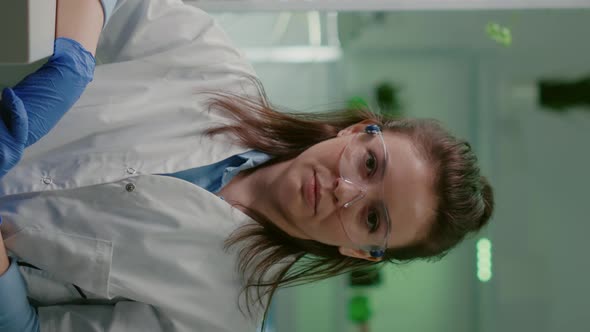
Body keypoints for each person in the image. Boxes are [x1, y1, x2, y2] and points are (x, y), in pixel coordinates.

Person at [0, 0, 494, 331]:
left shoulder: (222, 317)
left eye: (373, 217)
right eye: (370, 165)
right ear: (355, 131)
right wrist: (74, 63)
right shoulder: (213, 63)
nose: (346, 189)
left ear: (361, 251)